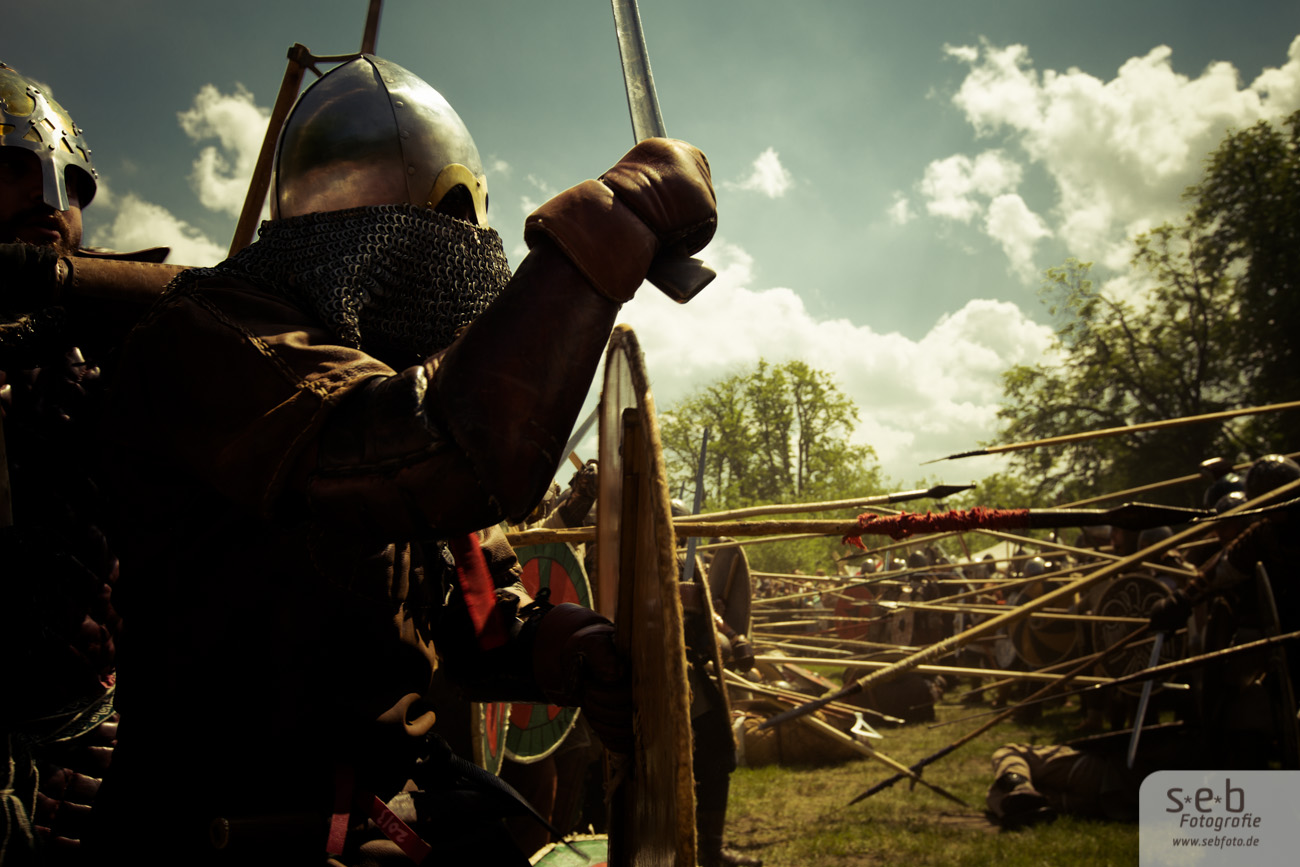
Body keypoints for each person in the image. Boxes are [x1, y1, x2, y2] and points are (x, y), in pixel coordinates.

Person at [86, 54, 716, 866]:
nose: (458, 260)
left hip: (393, 813)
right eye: (445, 235)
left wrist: (561, 643)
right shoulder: (213, 339)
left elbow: (477, 606)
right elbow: (440, 457)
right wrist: (615, 218)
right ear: (395, 225)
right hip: (219, 833)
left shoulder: (397, 383)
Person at [0, 61, 164, 865]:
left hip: (85, 756)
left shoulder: (112, 344)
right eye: (13, 167)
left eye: (65, 181)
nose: (47, 199)